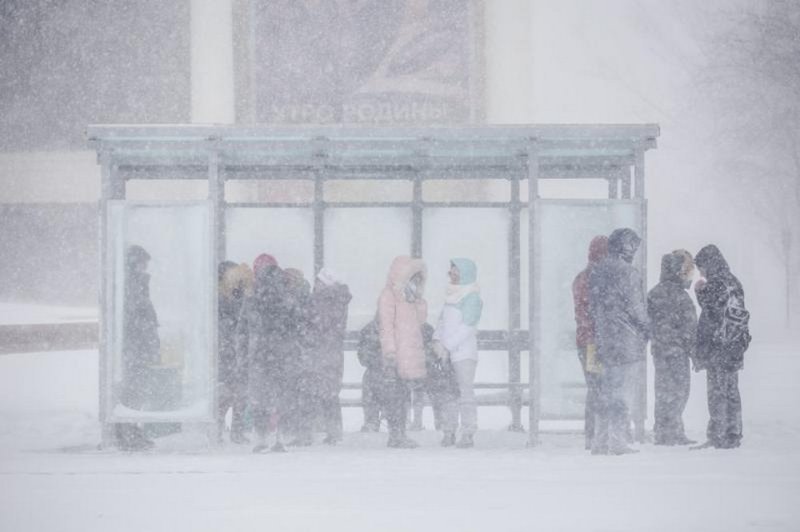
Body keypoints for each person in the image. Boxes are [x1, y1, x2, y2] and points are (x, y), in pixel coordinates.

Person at [588, 228, 649, 455]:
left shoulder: (597, 271)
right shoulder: (629, 273)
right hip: (627, 341)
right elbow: (637, 309)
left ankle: (600, 439)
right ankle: (618, 440)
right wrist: (647, 328)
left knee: (605, 390)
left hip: (604, 339)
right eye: (633, 246)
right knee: (622, 393)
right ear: (626, 247)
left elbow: (592, 307)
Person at [236, 253, 302, 453]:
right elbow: (298, 329)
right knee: (282, 397)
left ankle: (261, 436)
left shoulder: (252, 299)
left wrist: (242, 357)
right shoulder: (289, 299)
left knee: (260, 398)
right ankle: (280, 436)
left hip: (260, 355)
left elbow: (242, 331)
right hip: (283, 355)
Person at [693, 244, 751, 449]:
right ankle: (733, 433)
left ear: (709, 264)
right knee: (731, 390)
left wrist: (699, 291)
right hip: (734, 344)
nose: (700, 272)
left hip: (719, 345)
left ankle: (718, 435)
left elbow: (711, 314)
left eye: (701, 267)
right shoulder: (733, 282)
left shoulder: (716, 283)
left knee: (717, 391)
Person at [292, 267, 351, 446]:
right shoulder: (338, 301)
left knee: (308, 393)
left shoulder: (322, 302)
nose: (315, 285)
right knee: (329, 393)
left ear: (325, 284)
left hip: (317, 353)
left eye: (319, 282)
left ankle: (305, 434)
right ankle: (334, 432)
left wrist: (303, 329)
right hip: (331, 354)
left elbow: (316, 327)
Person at [647, 250, 698, 445]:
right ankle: (673, 432)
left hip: (659, 351)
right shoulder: (681, 297)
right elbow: (691, 327)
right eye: (686, 271)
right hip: (678, 352)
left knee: (663, 390)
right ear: (678, 271)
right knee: (679, 391)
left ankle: (662, 430)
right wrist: (694, 352)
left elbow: (647, 322)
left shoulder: (654, 293)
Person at [378, 256, 428, 448]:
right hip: (397, 354)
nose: (416, 281)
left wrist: (419, 300)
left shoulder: (410, 298)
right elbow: (386, 327)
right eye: (413, 277)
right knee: (396, 395)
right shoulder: (389, 296)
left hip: (410, 354)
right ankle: (396, 433)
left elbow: (420, 323)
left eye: (418, 278)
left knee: (403, 395)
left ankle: (400, 432)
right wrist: (389, 352)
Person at [432, 258, 483, 448]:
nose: (451, 275)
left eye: (455, 272)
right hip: (446, 354)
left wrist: (447, 345)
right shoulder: (450, 296)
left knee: (464, 393)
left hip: (464, 354)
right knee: (448, 393)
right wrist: (437, 341)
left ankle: (468, 432)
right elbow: (442, 322)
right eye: (451, 271)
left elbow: (468, 328)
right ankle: (449, 430)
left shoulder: (472, 297)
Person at [116, 244, 159, 451]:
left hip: (136, 345)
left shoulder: (134, 283)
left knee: (135, 388)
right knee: (133, 389)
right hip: (135, 346)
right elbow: (138, 315)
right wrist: (148, 335)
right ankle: (128, 430)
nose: (146, 268)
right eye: (143, 263)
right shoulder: (133, 284)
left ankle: (130, 428)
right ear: (135, 264)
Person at [572, 236, 608, 450]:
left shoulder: (582, 277)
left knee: (595, 387)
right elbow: (594, 312)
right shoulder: (596, 278)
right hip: (595, 343)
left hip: (586, 341)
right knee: (599, 387)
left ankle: (593, 433)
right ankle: (595, 434)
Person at [217, 261, 253, 444]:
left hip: (238, 352)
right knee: (226, 394)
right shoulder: (219, 299)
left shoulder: (238, 296)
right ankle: (217, 428)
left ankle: (236, 431)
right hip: (226, 352)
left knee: (240, 394)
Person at [357, 315, 384, 432]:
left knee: (398, 381)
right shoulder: (368, 330)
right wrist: (377, 361)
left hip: (394, 369)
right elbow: (362, 355)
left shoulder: (398, 326)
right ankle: (371, 420)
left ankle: (397, 419)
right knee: (370, 380)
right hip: (375, 368)